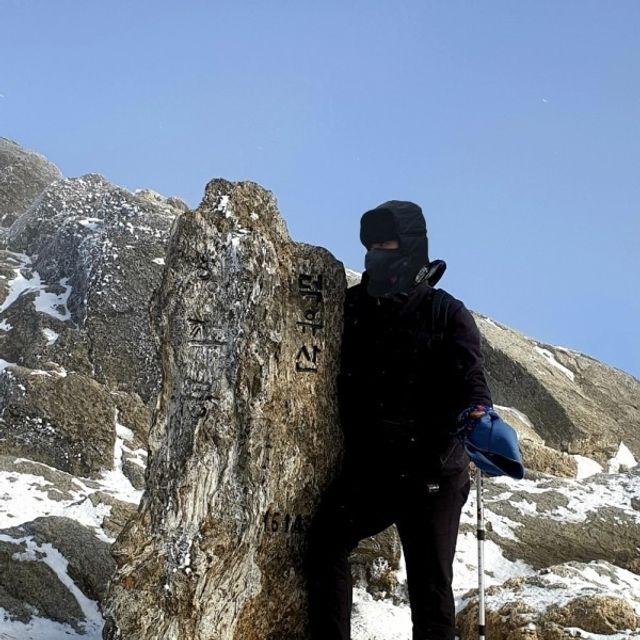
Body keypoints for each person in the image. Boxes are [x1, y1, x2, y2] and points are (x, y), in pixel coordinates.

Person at [305, 200, 496, 640]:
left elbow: (472, 379)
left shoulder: (446, 313)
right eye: (369, 244)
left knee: (430, 593)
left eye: (385, 242)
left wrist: (479, 415)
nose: (375, 252)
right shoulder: (352, 307)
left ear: (410, 245)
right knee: (324, 543)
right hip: (376, 469)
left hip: (434, 473)